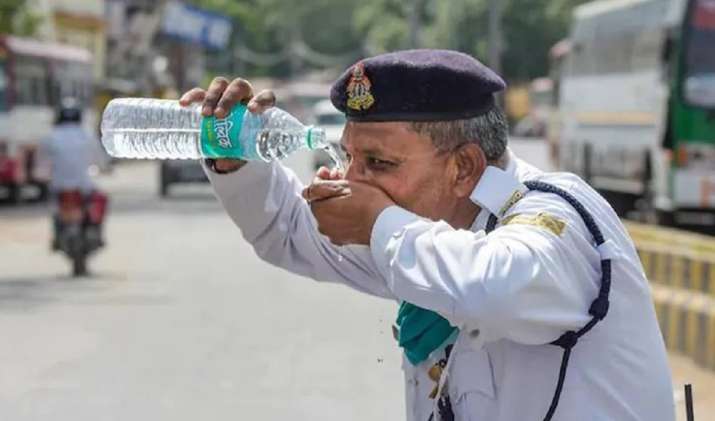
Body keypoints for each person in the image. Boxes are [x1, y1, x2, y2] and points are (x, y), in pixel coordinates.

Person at [181, 49, 674, 421]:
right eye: (350, 157)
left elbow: (490, 288)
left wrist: (376, 223)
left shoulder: (555, 215)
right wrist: (236, 161)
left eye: (379, 163)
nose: (354, 180)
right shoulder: (419, 235)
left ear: (464, 168)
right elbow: (286, 230)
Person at [37, 97, 108, 249]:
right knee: (101, 200)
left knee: (54, 208)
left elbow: (41, 165)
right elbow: (101, 160)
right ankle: (97, 231)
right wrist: (105, 168)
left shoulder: (50, 137)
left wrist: (41, 176)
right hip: (83, 186)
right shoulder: (87, 135)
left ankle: (56, 236)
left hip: (59, 186)